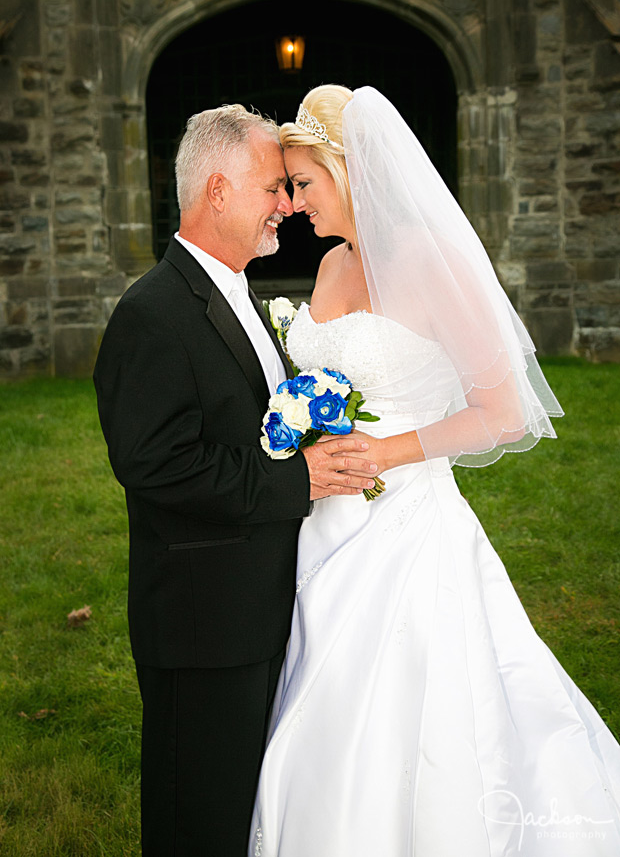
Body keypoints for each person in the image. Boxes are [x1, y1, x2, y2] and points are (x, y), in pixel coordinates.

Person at [249, 86, 620, 856]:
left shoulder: (429, 261)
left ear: (347, 170)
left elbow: (504, 410)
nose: (294, 202)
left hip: (408, 526)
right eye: (288, 187)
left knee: (407, 706)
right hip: (322, 522)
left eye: (303, 183)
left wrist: (386, 452)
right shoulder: (327, 267)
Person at [93, 104, 380, 857]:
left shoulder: (237, 292)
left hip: (253, 608)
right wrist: (299, 482)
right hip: (201, 623)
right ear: (217, 191)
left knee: (240, 813)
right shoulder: (152, 314)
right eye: (270, 190)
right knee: (199, 822)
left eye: (289, 190)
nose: (285, 206)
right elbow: (156, 463)